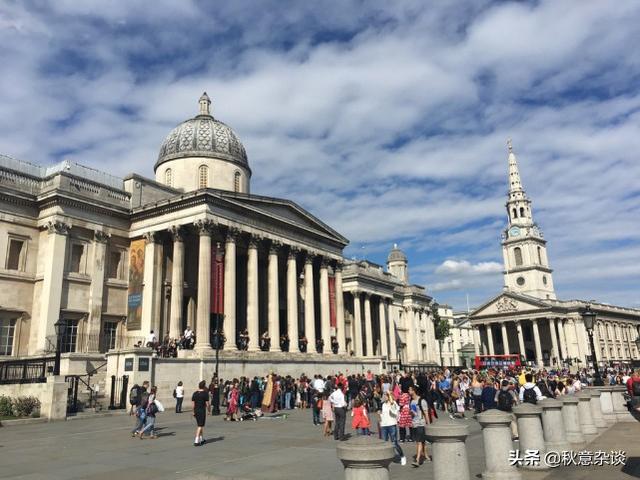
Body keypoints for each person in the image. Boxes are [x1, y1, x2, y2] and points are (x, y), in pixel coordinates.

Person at [380, 390, 406, 465]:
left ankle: (402, 456)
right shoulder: (383, 404)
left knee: (394, 443)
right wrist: (381, 416)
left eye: (386, 395)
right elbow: (384, 415)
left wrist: (391, 403)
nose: (384, 396)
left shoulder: (394, 403)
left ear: (389, 396)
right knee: (384, 442)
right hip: (384, 425)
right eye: (384, 395)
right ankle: (385, 458)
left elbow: (395, 412)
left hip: (391, 424)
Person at [409, 385, 430, 467]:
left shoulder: (421, 401)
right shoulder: (411, 401)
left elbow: (426, 414)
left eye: (410, 390)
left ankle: (417, 460)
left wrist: (428, 425)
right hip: (414, 423)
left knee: (419, 442)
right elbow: (413, 413)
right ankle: (426, 455)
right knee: (422, 441)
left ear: (414, 391)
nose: (408, 391)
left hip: (421, 423)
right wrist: (411, 415)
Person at [192, 380, 210, 446]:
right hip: (202, 411)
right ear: (204, 386)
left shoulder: (195, 393)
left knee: (200, 424)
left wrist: (193, 411)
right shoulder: (205, 394)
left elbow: (193, 404)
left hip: (196, 410)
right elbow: (207, 404)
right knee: (200, 425)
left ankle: (202, 439)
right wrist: (209, 410)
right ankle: (196, 440)